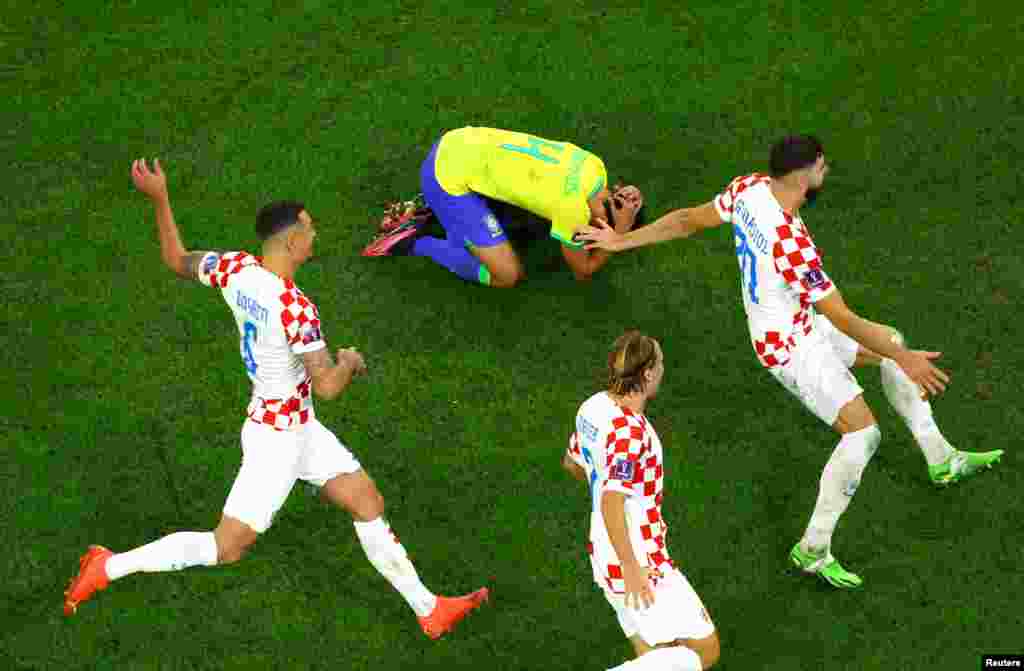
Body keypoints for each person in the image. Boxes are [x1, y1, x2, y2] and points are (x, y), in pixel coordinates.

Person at [63, 159, 488, 638]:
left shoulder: (235, 267)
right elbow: (327, 385)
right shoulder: (296, 308)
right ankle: (108, 566)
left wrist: (160, 198)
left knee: (366, 500)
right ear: (291, 242)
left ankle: (428, 608)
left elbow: (176, 258)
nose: (315, 235)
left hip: (293, 425)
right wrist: (349, 360)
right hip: (277, 442)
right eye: (310, 229)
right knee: (226, 547)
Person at [577, 136, 1003, 588]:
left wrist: (621, 241)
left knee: (892, 341)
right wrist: (904, 359)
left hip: (794, 324)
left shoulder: (749, 188)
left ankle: (940, 458)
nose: (826, 170)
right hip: (790, 346)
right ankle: (813, 549)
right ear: (805, 176)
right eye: (822, 165)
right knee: (863, 434)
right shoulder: (792, 246)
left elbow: (687, 220)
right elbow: (841, 316)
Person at [563, 331, 720, 670]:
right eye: (660, 362)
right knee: (704, 651)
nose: (663, 369)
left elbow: (573, 463)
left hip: (602, 549)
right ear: (647, 373)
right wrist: (633, 568)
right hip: (639, 559)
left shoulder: (592, 407)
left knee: (654, 652)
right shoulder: (631, 433)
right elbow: (611, 500)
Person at [362, 126, 644, 287]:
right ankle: (413, 239)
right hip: (444, 180)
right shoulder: (573, 213)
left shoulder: (595, 167)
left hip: (456, 141)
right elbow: (583, 271)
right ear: (601, 227)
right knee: (507, 275)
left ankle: (440, 213)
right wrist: (620, 232)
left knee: (533, 221)